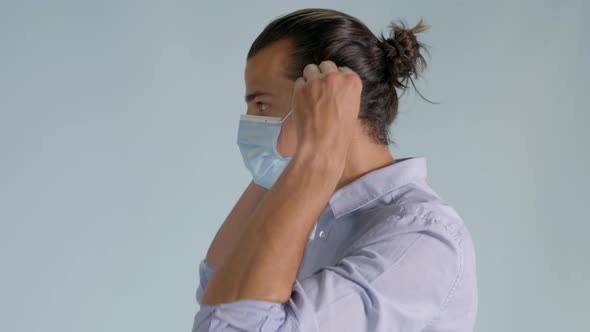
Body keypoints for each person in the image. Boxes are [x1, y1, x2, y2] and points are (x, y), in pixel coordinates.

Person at [192, 8, 478, 332]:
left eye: (261, 105)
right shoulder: (331, 220)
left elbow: (233, 325)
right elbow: (218, 292)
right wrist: (275, 172)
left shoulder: (420, 238)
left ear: (327, 100)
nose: (250, 122)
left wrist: (317, 153)